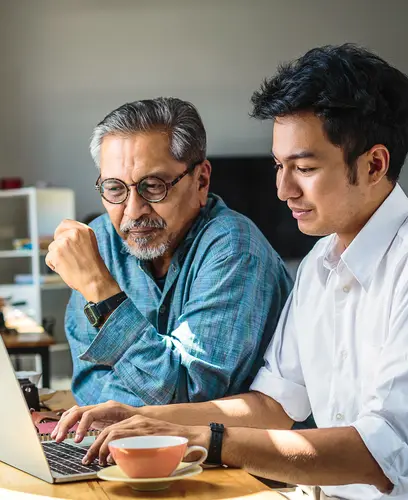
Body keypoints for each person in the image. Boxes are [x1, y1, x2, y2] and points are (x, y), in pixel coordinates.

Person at [52, 45, 408, 499]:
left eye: (303, 168)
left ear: (374, 164)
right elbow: (271, 406)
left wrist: (213, 441)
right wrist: (140, 419)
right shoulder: (319, 266)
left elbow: (383, 455)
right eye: (278, 166)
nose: (284, 190)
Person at [46, 97, 292, 407]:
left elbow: (187, 394)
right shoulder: (101, 242)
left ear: (201, 181)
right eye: (114, 188)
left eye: (153, 186)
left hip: (231, 453)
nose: (133, 211)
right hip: (129, 446)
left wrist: (101, 291)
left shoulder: (235, 249)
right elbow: (89, 379)